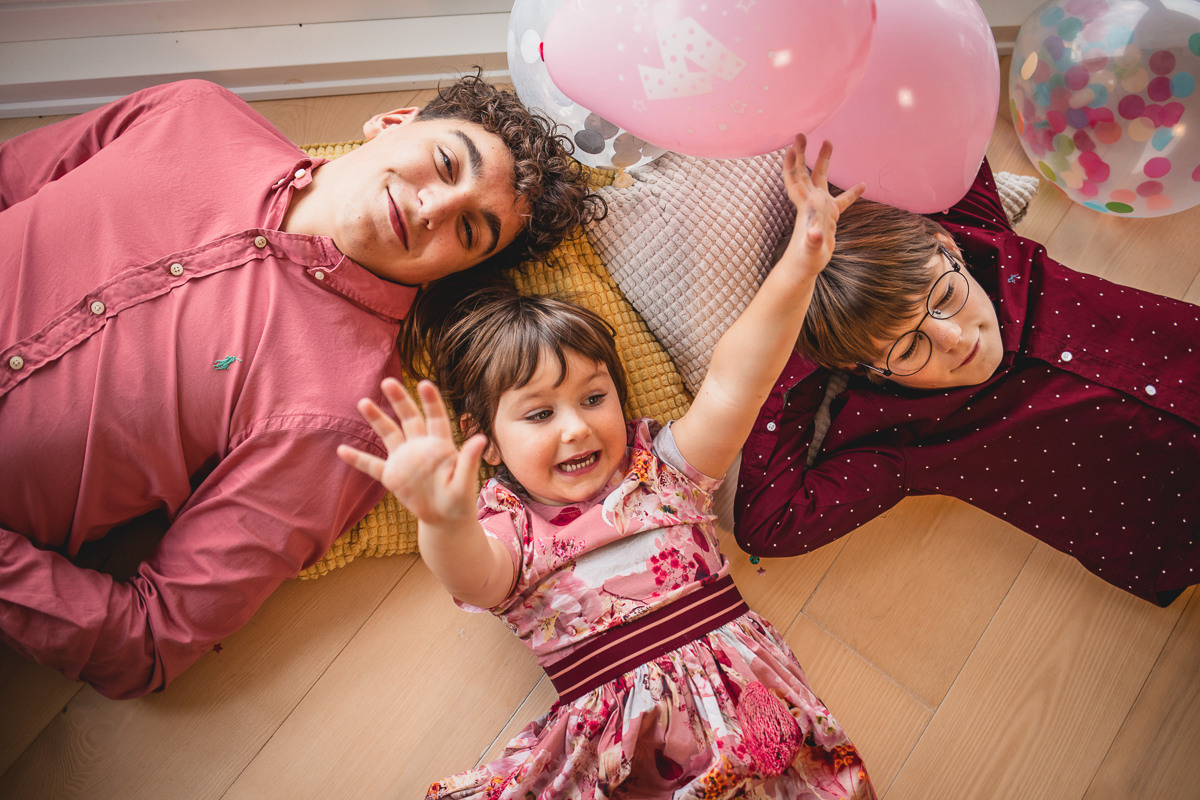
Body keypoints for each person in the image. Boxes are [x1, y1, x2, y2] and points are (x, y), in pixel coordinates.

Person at [0, 72, 603, 699]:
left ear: (453, 271)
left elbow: (151, 640)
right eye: (446, 163)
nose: (432, 209)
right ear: (395, 122)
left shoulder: (345, 420)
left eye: (470, 231)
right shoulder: (192, 111)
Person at [338, 136, 875, 798]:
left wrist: (801, 262)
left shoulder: (663, 470)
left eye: (595, 398)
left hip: (752, 726)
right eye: (538, 415)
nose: (577, 426)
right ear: (490, 444)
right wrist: (441, 517)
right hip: (617, 749)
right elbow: (474, 580)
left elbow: (736, 381)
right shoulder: (511, 532)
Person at [734, 159, 1199, 607]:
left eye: (948, 296)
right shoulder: (900, 439)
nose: (954, 337)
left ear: (947, 247)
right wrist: (796, 335)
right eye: (910, 349)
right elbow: (770, 524)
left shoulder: (982, 240)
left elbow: (930, 118)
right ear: (864, 369)